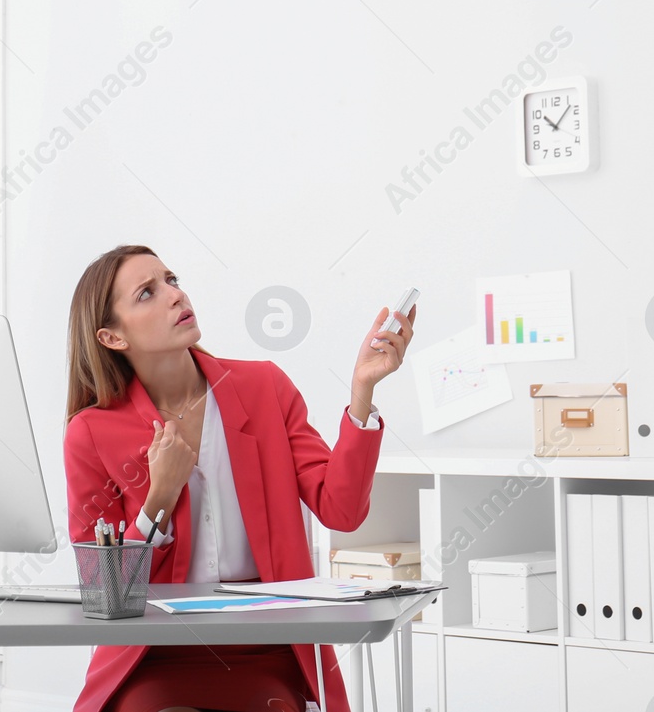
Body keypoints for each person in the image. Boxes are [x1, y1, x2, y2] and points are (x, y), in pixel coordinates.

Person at [62, 244, 415, 712]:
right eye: (147, 293)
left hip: (267, 648)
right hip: (154, 651)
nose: (174, 295)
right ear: (112, 338)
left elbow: (342, 510)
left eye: (171, 279)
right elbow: (103, 593)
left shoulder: (263, 387)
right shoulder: (90, 431)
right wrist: (158, 499)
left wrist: (362, 394)